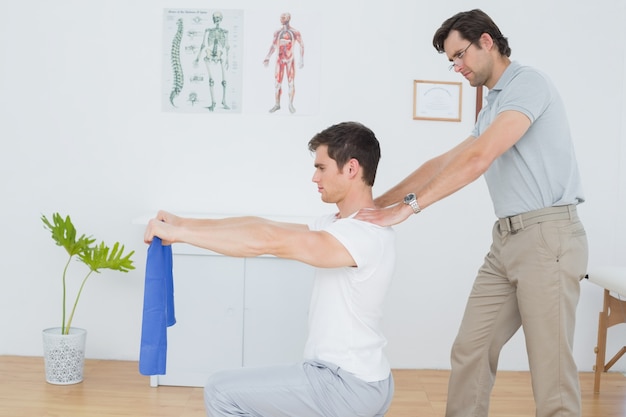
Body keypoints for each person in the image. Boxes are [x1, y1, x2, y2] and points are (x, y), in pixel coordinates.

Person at [355, 9, 588, 417]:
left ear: (487, 41)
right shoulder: (492, 104)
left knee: (550, 373)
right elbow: (446, 161)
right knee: (471, 350)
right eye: (451, 61)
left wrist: (408, 209)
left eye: (460, 55)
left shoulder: (527, 84)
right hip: (508, 241)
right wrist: (376, 203)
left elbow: (480, 158)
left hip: (547, 236)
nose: (456, 67)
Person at [144, 121, 396, 417]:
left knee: (220, 390)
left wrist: (182, 236)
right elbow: (264, 226)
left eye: (322, 167)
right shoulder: (339, 225)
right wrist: (184, 223)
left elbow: (266, 241)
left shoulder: (362, 236)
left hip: (345, 384)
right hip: (363, 379)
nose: (315, 177)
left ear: (351, 168)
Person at [263, 12, 304, 114]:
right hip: (279, 60)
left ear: (288, 18)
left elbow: (301, 45)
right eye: (281, 17)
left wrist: (301, 59)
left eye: (283, 17)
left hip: (290, 60)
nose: (281, 18)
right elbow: (273, 45)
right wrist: (268, 57)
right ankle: (277, 104)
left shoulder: (295, 32)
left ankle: (290, 104)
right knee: (277, 83)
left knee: (291, 82)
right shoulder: (277, 32)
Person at [195, 11, 230, 111]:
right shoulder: (208, 31)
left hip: (220, 55)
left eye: (218, 17)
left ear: (221, 18)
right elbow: (203, 45)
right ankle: (213, 102)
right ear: (213, 19)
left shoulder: (225, 32)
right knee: (211, 80)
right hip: (209, 55)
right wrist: (198, 57)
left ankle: (223, 101)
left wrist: (227, 59)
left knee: (224, 81)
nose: (217, 19)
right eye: (215, 17)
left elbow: (227, 46)